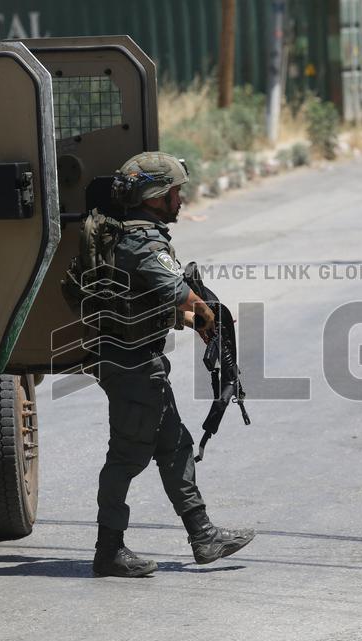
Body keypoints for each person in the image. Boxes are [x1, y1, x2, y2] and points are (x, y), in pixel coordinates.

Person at [91, 151, 254, 577]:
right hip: (131, 366)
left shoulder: (129, 233)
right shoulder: (142, 240)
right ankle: (108, 550)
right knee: (126, 457)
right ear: (156, 196)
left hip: (135, 358)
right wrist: (209, 316)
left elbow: (149, 300)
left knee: (174, 446)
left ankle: (202, 536)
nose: (180, 200)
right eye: (175, 192)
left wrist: (197, 320)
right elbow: (179, 292)